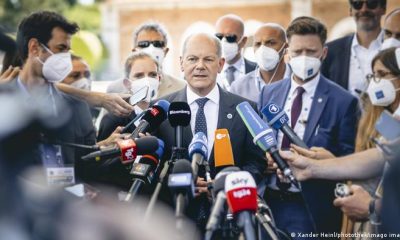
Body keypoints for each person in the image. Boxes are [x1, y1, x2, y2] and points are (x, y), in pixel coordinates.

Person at [258, 16, 360, 237]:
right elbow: (256, 138)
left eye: (311, 52)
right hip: (269, 202)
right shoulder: (269, 92)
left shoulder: (343, 101)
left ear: (323, 53)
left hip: (311, 206)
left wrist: (322, 160)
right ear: (287, 54)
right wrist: (262, 158)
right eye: (297, 52)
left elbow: (348, 159)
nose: (304, 58)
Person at [155, 32, 265, 231]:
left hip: (229, 223)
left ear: (221, 64)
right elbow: (153, 167)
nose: (200, 66)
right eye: (192, 59)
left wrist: (226, 184)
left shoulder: (245, 109)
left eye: (208, 59)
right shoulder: (161, 110)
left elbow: (256, 162)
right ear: (181, 63)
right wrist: (178, 182)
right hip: (174, 223)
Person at [3, 11, 121, 185]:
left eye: (68, 50)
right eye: (60, 49)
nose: (66, 58)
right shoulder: (3, 102)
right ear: (34, 47)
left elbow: (87, 168)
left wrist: (111, 152)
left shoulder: (77, 108)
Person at [321, 0, 386, 97]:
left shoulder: (395, 48)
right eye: (357, 4)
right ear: (351, 10)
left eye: (371, 4)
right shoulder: (330, 51)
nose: (364, 9)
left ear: (383, 8)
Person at [107, 22, 186, 96]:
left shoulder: (181, 87)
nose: (151, 48)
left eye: (157, 44)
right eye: (143, 44)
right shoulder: (115, 89)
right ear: (134, 51)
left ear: (165, 51)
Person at [230, 23, 290, 102]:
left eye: (271, 43)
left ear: (285, 47)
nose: (263, 49)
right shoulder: (238, 87)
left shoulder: (298, 80)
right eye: (258, 44)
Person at [215, 14, 256, 90]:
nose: (223, 42)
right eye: (219, 37)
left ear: (243, 41)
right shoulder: (209, 71)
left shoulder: (257, 71)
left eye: (230, 38)